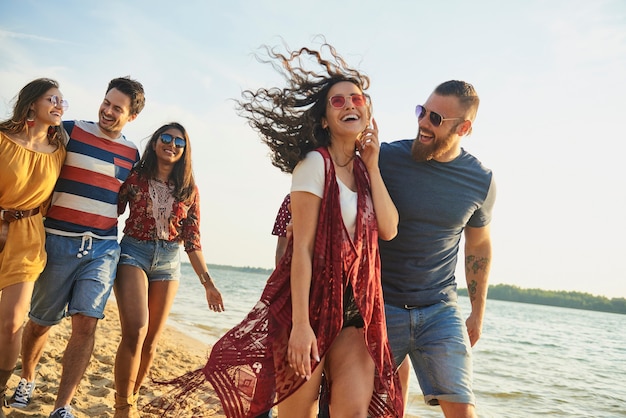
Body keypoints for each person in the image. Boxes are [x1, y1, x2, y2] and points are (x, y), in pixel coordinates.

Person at [204, 43, 403, 417]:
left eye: (356, 99)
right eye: (338, 102)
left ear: (368, 111)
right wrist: (299, 326)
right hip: (307, 306)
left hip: (355, 309)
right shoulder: (314, 164)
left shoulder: (366, 171)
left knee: (354, 413)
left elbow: (389, 229)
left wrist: (374, 166)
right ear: (325, 120)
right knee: (298, 412)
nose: (349, 106)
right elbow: (303, 251)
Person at [9, 76, 145, 418]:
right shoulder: (68, 132)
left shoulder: (132, 154)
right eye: (106, 102)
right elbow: (33, 151)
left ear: (132, 117)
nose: (108, 111)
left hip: (101, 247)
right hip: (56, 240)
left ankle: (62, 405)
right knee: (40, 322)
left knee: (86, 322)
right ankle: (27, 377)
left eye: (118, 108)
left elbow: (124, 199)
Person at [378, 80, 496, 418]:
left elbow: (479, 246)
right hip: (380, 304)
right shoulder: (387, 158)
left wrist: (477, 311)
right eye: (422, 112)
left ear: (465, 127)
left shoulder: (480, 180)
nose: (423, 123)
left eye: (435, 118)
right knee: (368, 405)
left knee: (462, 407)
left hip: (440, 310)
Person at [112, 122, 225, 418]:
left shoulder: (189, 190)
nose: (171, 144)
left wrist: (207, 284)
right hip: (133, 252)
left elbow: (192, 240)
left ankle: (133, 399)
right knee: (136, 330)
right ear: (155, 142)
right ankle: (121, 406)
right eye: (166, 137)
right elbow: (111, 210)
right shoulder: (135, 177)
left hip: (169, 261)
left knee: (151, 340)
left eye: (179, 141)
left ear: (185, 150)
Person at [0, 78, 68, 418]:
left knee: (12, 321)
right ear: (31, 104)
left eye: (62, 101)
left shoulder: (60, 152)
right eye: (52, 99)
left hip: (27, 237)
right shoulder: (1, 139)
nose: (59, 105)